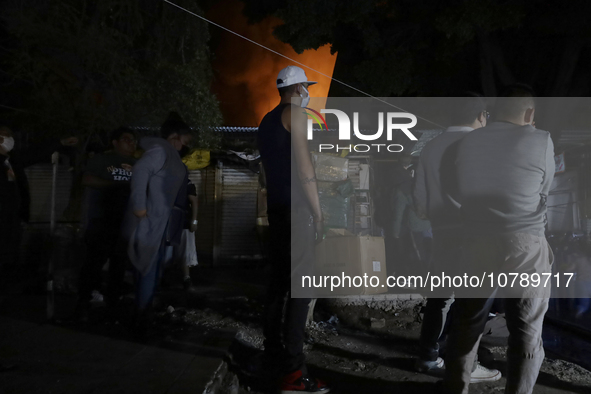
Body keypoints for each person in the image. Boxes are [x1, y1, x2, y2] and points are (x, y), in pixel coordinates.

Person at [441, 87, 555, 394]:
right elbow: (544, 188)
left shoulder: (464, 143)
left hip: (476, 239)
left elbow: (451, 189)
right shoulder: (541, 139)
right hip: (524, 243)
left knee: (467, 322)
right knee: (526, 329)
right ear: (529, 114)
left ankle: (456, 388)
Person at [413, 97, 501, 383]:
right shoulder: (481, 145)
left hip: (441, 231)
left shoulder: (429, 147)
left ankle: (428, 356)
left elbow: (420, 204)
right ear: (480, 115)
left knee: (440, 299)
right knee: (471, 302)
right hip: (472, 232)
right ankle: (466, 364)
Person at [257, 65, 329, 393]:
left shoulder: (266, 121)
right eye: (305, 88)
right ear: (297, 88)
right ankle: (293, 374)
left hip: (277, 210)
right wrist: (318, 211)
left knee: (278, 284)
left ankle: (273, 354)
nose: (307, 93)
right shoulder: (296, 115)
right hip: (297, 210)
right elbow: (304, 167)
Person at [126, 112, 191, 336]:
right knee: (148, 268)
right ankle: (141, 320)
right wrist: (140, 207)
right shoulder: (159, 151)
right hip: (152, 222)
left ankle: (145, 314)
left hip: (164, 223)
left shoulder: (169, 154)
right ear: (173, 136)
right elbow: (141, 171)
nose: (185, 146)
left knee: (155, 269)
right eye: (184, 140)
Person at [0, 126, 78, 284]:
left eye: (10, 136)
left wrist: (60, 142)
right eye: (5, 135)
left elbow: (34, 153)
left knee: (9, 255)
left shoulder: (13, 160)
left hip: (13, 217)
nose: (8, 139)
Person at [74, 127, 137, 321]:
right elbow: (87, 179)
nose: (132, 143)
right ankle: (83, 301)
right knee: (94, 262)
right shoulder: (102, 160)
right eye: (126, 139)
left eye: (134, 140)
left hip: (125, 223)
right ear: (115, 142)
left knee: (119, 264)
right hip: (102, 221)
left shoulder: (139, 164)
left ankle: (113, 302)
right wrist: (115, 185)